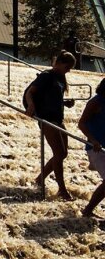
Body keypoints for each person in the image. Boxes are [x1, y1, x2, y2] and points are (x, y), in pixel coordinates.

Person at [25, 50, 77, 201]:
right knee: (59, 154)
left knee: (63, 154)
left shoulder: (60, 78)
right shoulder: (46, 76)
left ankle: (40, 178)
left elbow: (53, 97)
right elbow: (30, 92)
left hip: (58, 118)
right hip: (47, 118)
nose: (69, 70)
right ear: (59, 63)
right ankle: (61, 189)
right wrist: (30, 106)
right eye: (68, 66)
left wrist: (66, 103)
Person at [78, 78, 105, 217]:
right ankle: (88, 210)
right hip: (97, 148)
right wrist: (93, 140)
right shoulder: (96, 102)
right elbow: (81, 123)